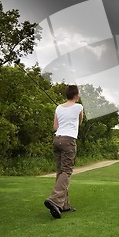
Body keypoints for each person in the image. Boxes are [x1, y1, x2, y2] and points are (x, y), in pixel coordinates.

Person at [44, 85, 83, 219]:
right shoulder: (79, 107)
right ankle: (54, 199)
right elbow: (80, 121)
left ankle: (64, 205)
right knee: (66, 171)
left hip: (57, 139)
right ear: (76, 95)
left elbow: (55, 126)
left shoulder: (58, 108)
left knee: (61, 171)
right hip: (68, 141)